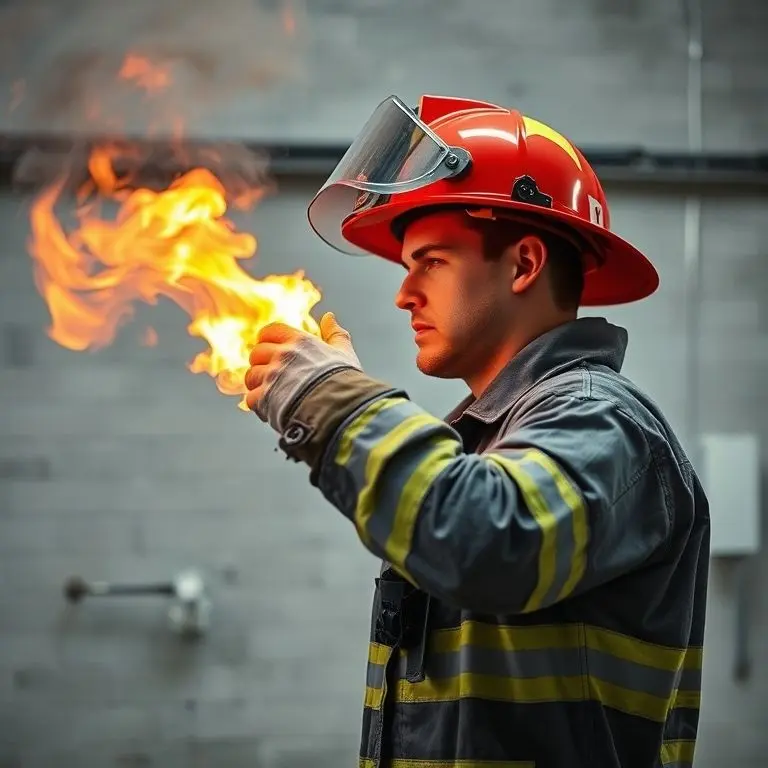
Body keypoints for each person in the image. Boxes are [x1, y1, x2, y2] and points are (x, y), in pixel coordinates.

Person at [243, 94, 710, 768]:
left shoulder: (605, 423)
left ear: (523, 265)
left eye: (429, 262)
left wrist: (332, 401)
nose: (404, 294)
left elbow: (489, 541)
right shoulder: (494, 439)